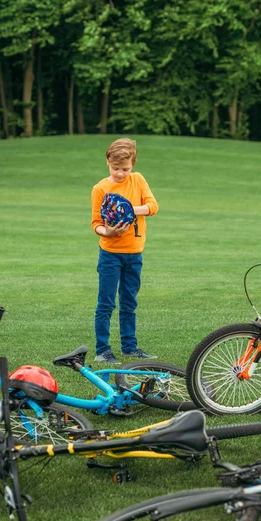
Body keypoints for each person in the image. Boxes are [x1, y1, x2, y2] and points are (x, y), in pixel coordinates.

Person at [91, 138, 159, 364]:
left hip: (134, 254)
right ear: (107, 163)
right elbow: (96, 223)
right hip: (110, 255)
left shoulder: (138, 180)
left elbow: (153, 206)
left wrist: (128, 209)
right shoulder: (100, 188)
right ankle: (102, 350)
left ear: (133, 164)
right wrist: (106, 232)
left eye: (125, 169)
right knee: (106, 303)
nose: (120, 174)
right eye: (115, 168)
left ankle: (129, 347)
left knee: (129, 302)